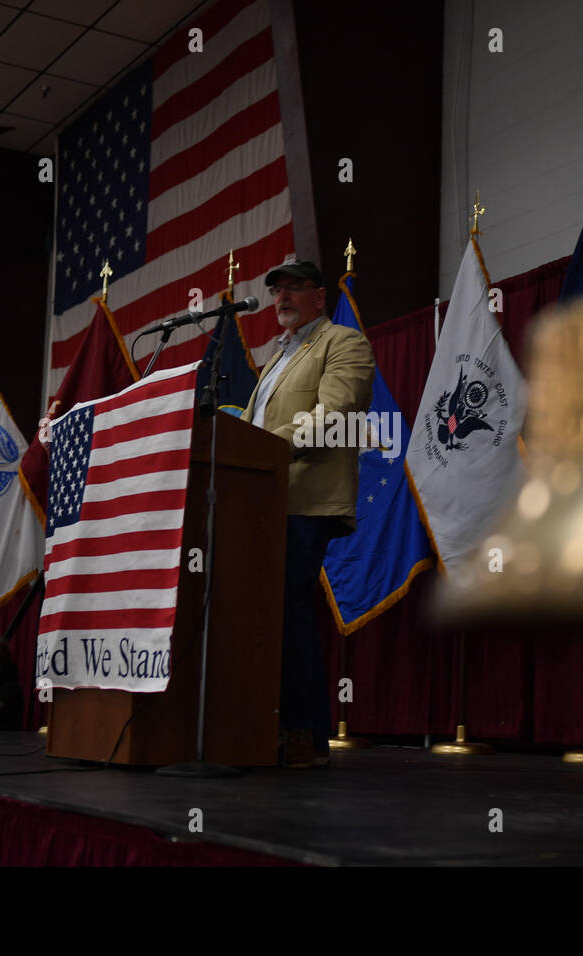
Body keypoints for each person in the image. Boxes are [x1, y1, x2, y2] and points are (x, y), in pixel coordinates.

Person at [241, 260, 374, 768]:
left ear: (321, 297)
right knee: (262, 615)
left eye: (294, 287)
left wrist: (259, 448)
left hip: (303, 502)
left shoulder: (342, 343)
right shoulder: (276, 357)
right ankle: (260, 725)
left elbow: (334, 417)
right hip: (258, 502)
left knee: (287, 609)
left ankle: (304, 734)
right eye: (276, 288)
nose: (281, 296)